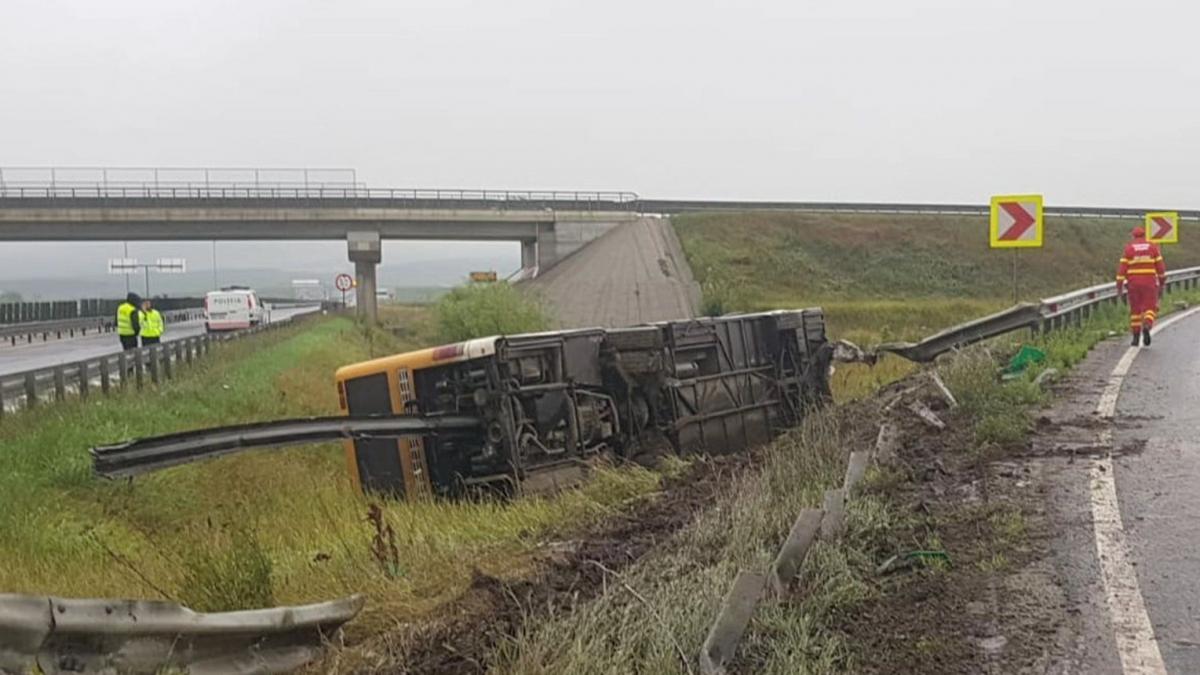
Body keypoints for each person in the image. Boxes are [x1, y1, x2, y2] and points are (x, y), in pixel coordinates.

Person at [1116, 226, 1167, 347]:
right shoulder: (1153, 247)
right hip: (1149, 283)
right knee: (1150, 308)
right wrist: (1162, 281)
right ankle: (1147, 325)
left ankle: (1135, 337)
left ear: (1133, 236)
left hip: (1133, 284)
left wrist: (1119, 286)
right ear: (1144, 235)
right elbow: (1160, 268)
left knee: (1135, 311)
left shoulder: (1128, 249)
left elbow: (1122, 270)